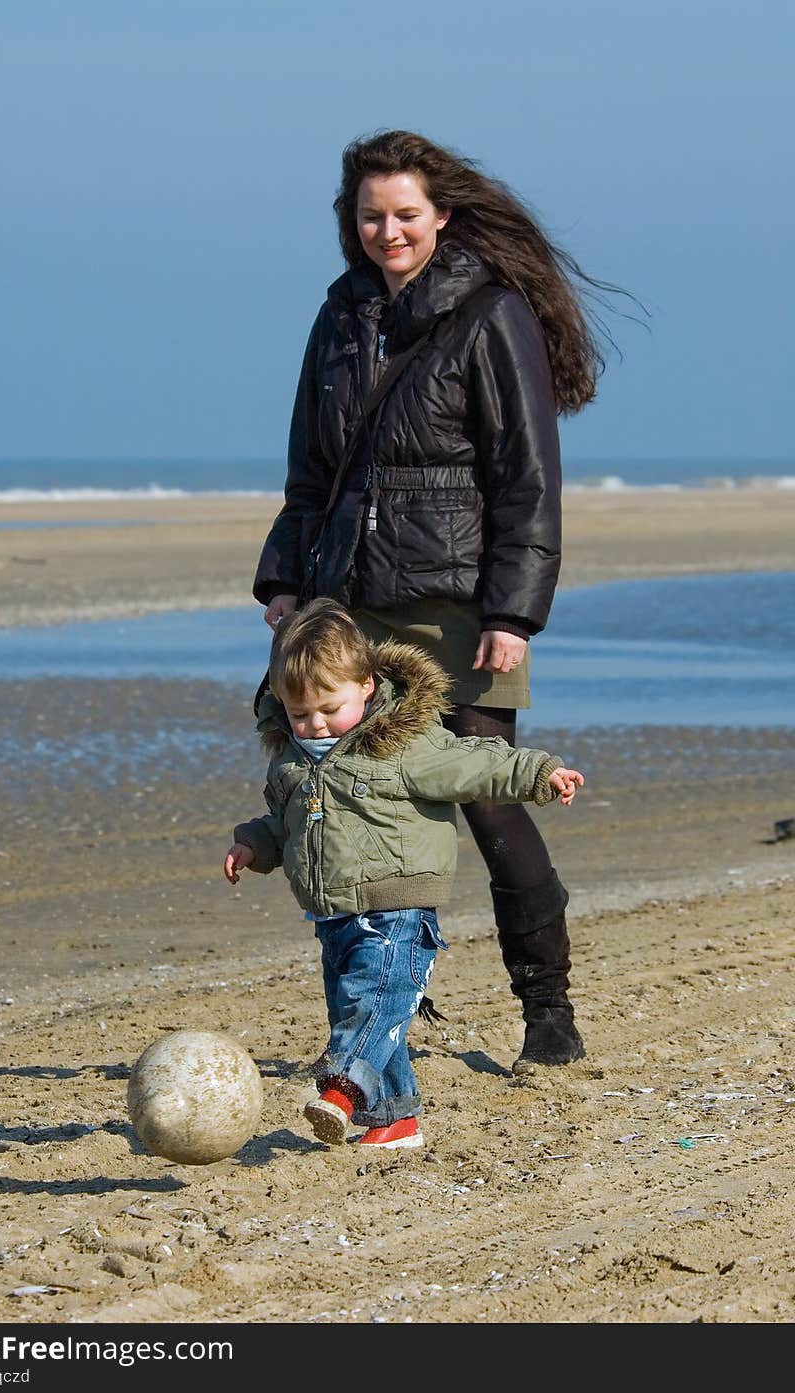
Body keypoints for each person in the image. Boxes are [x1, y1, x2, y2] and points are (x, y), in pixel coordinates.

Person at [253, 129, 611, 1074]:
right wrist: (285, 579)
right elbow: (310, 467)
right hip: (348, 596)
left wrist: (512, 612)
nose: (388, 230)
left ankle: (549, 1009)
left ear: (441, 215)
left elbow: (527, 477)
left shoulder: (493, 314)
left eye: (405, 213)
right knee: (353, 793)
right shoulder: (339, 315)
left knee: (485, 795)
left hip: (460, 599)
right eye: (372, 215)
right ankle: (385, 994)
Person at [224, 599, 584, 1150]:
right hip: (334, 911)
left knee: (377, 997)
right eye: (299, 714)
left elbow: (479, 761)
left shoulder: (404, 744)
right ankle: (394, 1119)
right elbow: (286, 823)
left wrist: (539, 771)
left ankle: (344, 1087)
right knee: (365, 1007)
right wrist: (254, 845)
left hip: (398, 904)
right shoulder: (292, 762)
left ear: (366, 686)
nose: (314, 723)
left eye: (328, 708)